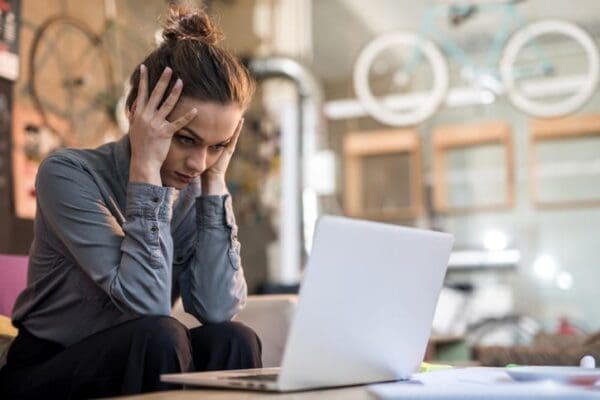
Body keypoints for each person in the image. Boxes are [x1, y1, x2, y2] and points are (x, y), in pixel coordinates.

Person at [0, 4, 261, 398]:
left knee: (234, 339)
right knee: (159, 335)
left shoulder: (195, 186)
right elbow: (147, 303)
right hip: (46, 370)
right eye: (185, 138)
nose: (198, 162)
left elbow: (217, 308)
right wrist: (146, 172)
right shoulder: (68, 174)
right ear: (138, 113)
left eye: (218, 146)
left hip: (139, 355)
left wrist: (216, 185)